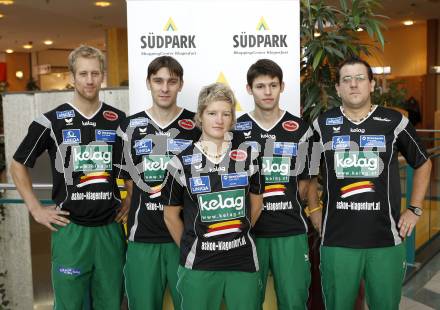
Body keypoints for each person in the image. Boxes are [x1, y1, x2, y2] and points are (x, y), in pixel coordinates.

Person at [309, 57, 432, 310]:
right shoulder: (321, 125)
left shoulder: (395, 122)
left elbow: (423, 163)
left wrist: (415, 208)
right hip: (336, 242)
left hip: (385, 241)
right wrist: (313, 208)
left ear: (372, 85)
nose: (353, 85)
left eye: (360, 79)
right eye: (346, 80)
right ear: (338, 89)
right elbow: (307, 172)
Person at [10, 45, 127, 309]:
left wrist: (129, 195)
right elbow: (18, 165)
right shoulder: (51, 122)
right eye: (83, 74)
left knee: (111, 303)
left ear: (102, 77)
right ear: (72, 78)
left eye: (95, 73)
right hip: (70, 231)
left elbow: (129, 166)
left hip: (110, 230)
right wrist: (35, 208)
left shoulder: (118, 121)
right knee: (69, 305)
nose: (89, 80)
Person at [162, 83, 264, 310]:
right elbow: (170, 216)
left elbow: (256, 205)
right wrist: (193, 246)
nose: (219, 120)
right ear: (200, 116)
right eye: (212, 113)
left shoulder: (248, 157)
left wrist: (233, 234)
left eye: (226, 114)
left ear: (232, 119)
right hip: (199, 265)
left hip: (242, 261)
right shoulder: (180, 162)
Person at [234, 59, 318, 309]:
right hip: (249, 233)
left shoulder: (302, 129)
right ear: (249, 89)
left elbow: (306, 183)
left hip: (290, 230)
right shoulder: (236, 130)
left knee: (293, 302)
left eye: (273, 85)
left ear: (282, 86)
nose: (267, 92)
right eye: (260, 86)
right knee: (247, 302)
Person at [117, 56, 200, 309]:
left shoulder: (196, 126)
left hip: (185, 238)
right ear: (148, 83)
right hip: (142, 238)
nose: (165, 88)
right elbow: (128, 181)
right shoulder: (128, 126)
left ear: (181, 84)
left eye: (171, 82)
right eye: (158, 81)